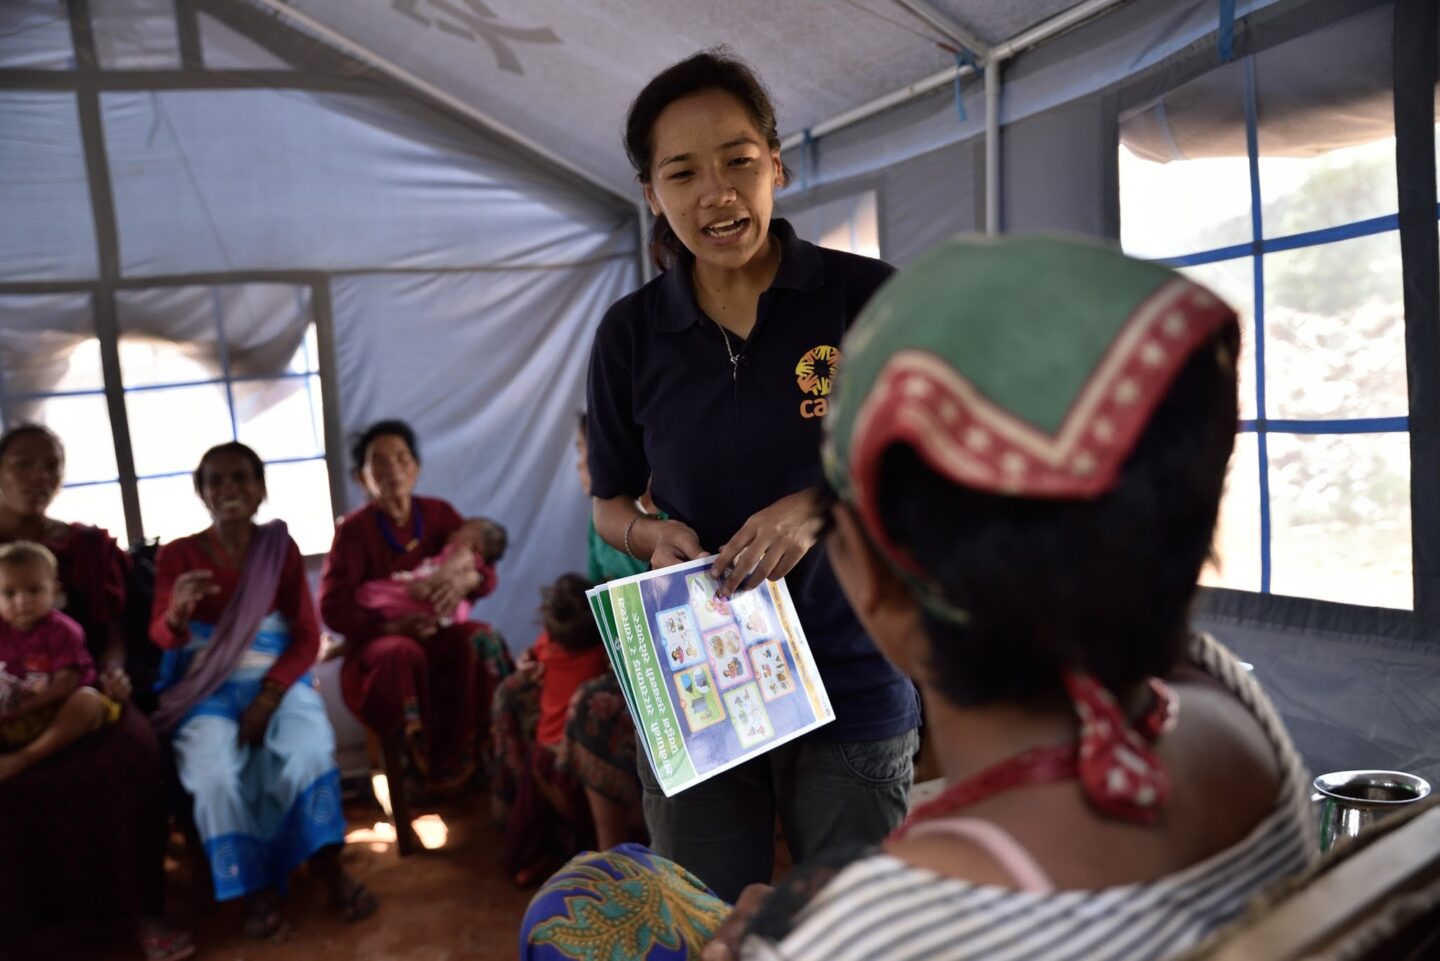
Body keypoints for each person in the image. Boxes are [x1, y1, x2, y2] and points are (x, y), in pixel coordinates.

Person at [526, 237, 1317, 961]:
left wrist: (781, 936)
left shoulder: (871, 934)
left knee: (566, 915)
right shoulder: (1230, 703)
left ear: (875, 587)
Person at [584, 49, 919, 902]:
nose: (716, 193)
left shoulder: (864, 298)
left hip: (852, 672)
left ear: (777, 162)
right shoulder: (630, 335)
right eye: (682, 172)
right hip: (702, 685)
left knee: (848, 930)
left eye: (737, 161)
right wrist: (651, 533)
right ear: (651, 192)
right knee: (706, 922)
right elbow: (608, 503)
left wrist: (820, 504)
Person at [151, 441, 376, 939]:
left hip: (276, 680)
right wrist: (177, 611)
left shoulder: (279, 548)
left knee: (309, 752)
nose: (229, 489)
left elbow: (305, 636)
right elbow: (163, 636)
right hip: (205, 690)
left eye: (241, 479)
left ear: (260, 490)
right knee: (213, 776)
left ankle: (326, 868)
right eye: (217, 481)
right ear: (202, 493)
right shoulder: (179, 555)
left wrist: (270, 696)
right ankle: (253, 890)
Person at [0, 424, 192, 961]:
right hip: (7, 697)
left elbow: (109, 637)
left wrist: (114, 675)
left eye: (51, 465)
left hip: (75, 689)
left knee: (133, 751)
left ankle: (145, 911)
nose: (39, 477)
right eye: (22, 464)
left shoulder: (80, 546)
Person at [319, 419, 514, 799]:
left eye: (401, 458)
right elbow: (332, 608)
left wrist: (464, 581)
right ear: (362, 478)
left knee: (481, 638)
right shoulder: (354, 531)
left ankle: (486, 758)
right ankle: (413, 772)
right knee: (399, 653)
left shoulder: (439, 514)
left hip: (438, 634)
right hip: (381, 642)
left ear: (417, 467)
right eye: (379, 462)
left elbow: (486, 571)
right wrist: (391, 627)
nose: (392, 469)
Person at [560, 410, 649, 851]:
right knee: (517, 691)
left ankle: (611, 848)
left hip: (658, 662)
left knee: (589, 708)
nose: (578, 466)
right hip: (617, 658)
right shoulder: (603, 521)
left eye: (583, 454)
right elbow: (595, 606)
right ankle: (548, 837)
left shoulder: (665, 516)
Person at [491, 572, 611, 883]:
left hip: (541, 754)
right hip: (574, 764)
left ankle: (524, 861)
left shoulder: (549, 643)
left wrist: (527, 661)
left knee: (530, 816)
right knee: (599, 813)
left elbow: (532, 655)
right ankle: (601, 865)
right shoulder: (602, 653)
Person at [0, 541, 121, 778]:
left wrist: (24, 709)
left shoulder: (63, 630)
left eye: (34, 590)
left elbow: (66, 682)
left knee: (87, 700)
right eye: (9, 593)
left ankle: (25, 758)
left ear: (55, 592)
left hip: (56, 709)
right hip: (13, 713)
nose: (22, 601)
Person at [355, 516, 502, 627]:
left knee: (377, 593)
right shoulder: (473, 563)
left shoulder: (463, 552)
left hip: (430, 595)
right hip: (447, 610)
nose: (452, 531)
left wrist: (429, 584)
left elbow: (449, 568)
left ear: (476, 546)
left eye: (460, 529)